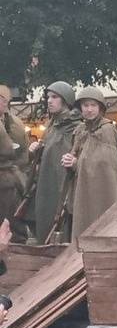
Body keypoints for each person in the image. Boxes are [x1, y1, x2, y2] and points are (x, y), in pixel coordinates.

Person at [61, 87, 117, 240]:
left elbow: (104, 165)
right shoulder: (81, 130)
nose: (89, 109)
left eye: (93, 105)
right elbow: (79, 154)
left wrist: (77, 163)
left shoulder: (106, 130)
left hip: (102, 193)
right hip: (83, 189)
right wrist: (69, 159)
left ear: (100, 108)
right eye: (85, 105)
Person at [31, 82, 81, 244]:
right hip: (47, 187)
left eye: (54, 97)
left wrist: (76, 162)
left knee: (63, 232)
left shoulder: (76, 127)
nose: (49, 101)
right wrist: (37, 149)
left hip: (65, 189)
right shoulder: (52, 127)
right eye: (48, 97)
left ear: (65, 100)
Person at [0, 85, 28, 243]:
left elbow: (12, 150)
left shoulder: (14, 123)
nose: (5, 103)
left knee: (10, 223)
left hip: (9, 178)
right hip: (8, 178)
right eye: (2, 100)